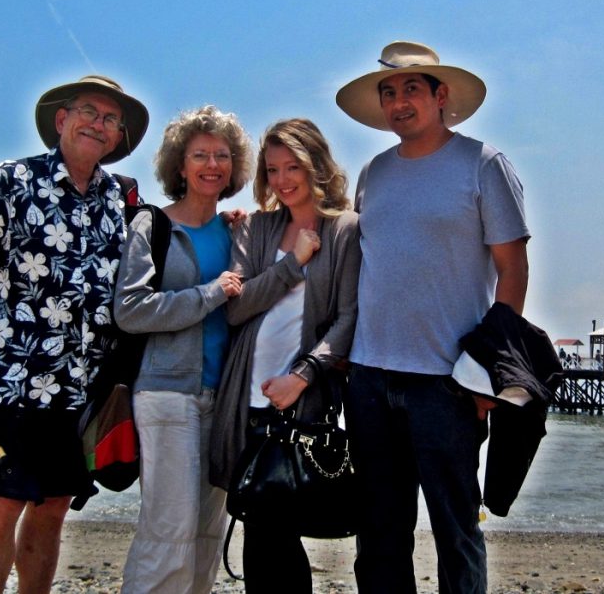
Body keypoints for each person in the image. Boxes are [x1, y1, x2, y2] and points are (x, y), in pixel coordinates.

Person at [0, 75, 149, 594]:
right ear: (61, 120)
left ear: (118, 137)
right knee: (3, 504)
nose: (97, 124)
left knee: (53, 508)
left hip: (84, 390)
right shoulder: (7, 182)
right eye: (88, 112)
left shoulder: (121, 204)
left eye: (109, 119)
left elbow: (171, 239)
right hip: (16, 382)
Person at [335, 41, 529, 593]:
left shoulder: (483, 164)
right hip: (369, 378)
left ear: (441, 96)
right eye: (389, 92)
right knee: (378, 534)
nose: (399, 102)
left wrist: (488, 373)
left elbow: (513, 271)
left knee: (455, 530)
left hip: (447, 383)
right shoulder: (372, 173)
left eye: (411, 89)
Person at [208, 118, 361, 593]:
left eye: (293, 166)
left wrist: (302, 376)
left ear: (316, 164)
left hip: (300, 402)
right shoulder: (255, 228)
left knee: (281, 527)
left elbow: (349, 318)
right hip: (244, 402)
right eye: (272, 170)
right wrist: (293, 264)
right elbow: (235, 310)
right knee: (259, 529)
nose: (282, 180)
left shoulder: (345, 230)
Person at [113, 105, 251, 593]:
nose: (212, 164)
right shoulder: (152, 226)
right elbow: (129, 310)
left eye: (222, 155)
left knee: (207, 534)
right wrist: (211, 292)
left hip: (225, 399)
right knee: (167, 532)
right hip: (166, 393)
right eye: (200, 155)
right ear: (180, 164)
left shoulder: (238, 230)